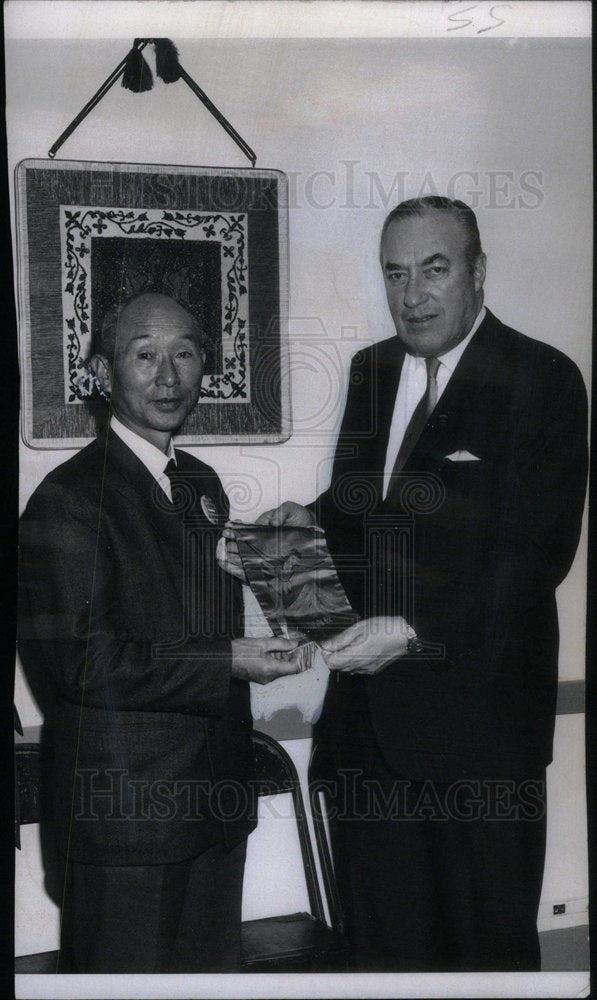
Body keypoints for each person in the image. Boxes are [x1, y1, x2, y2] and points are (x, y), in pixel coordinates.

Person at [219, 197, 588, 971]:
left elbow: (535, 553)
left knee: (485, 961)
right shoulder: (371, 369)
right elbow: (366, 512)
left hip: (481, 741)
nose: (411, 293)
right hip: (366, 742)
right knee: (385, 961)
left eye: (433, 269)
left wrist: (416, 629)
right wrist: (299, 527)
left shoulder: (543, 378)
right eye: (395, 273)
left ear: (477, 273)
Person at [18, 291, 300, 973]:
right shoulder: (67, 499)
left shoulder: (199, 484)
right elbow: (87, 664)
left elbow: (180, 621)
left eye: (184, 352)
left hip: (215, 813)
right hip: (127, 827)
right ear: (103, 373)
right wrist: (231, 657)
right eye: (144, 355)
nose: (167, 376)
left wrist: (283, 582)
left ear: (207, 365)